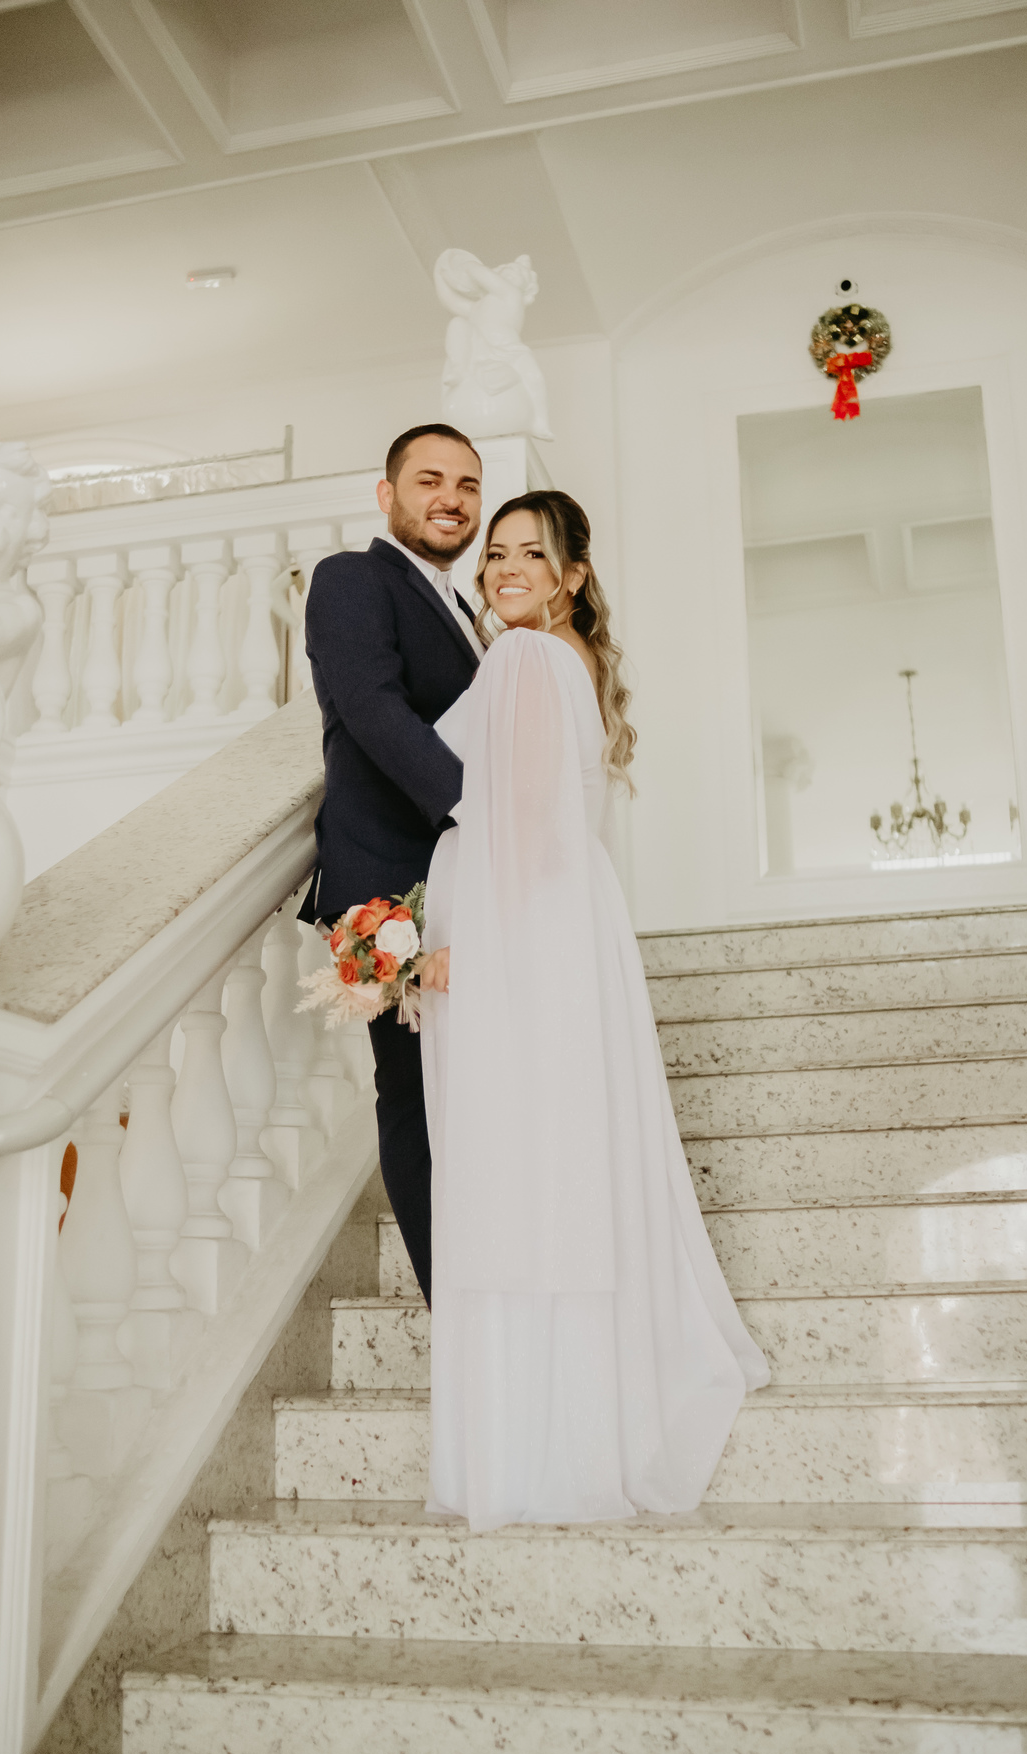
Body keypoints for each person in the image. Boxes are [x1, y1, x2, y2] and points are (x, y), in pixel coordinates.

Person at [417, 491, 769, 1531]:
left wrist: (464, 944)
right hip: (571, 930)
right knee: (560, 1166)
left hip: (524, 937)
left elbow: (519, 824)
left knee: (520, 1170)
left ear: (572, 575)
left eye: (531, 554)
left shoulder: (524, 658)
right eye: (496, 553)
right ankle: (576, 1428)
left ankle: (529, 1448)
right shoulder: (573, 659)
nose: (505, 569)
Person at [299, 424, 484, 1307]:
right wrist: (481, 810)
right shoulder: (351, 578)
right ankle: (459, 1305)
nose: (451, 498)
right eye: (430, 479)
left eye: (468, 485)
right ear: (387, 495)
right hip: (391, 885)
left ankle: (497, 1289)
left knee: (474, 1090)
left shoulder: (469, 613)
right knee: (413, 1095)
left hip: (465, 878)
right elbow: (373, 709)